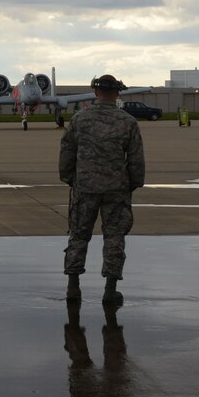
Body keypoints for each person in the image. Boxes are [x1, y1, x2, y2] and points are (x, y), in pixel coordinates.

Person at [59, 74, 145, 305]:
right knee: (114, 237)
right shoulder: (127, 122)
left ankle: (73, 286)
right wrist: (133, 183)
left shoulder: (80, 119)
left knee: (78, 235)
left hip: (85, 187)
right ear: (117, 93)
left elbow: (67, 151)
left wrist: (70, 178)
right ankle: (110, 289)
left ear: (96, 92)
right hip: (116, 188)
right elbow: (136, 159)